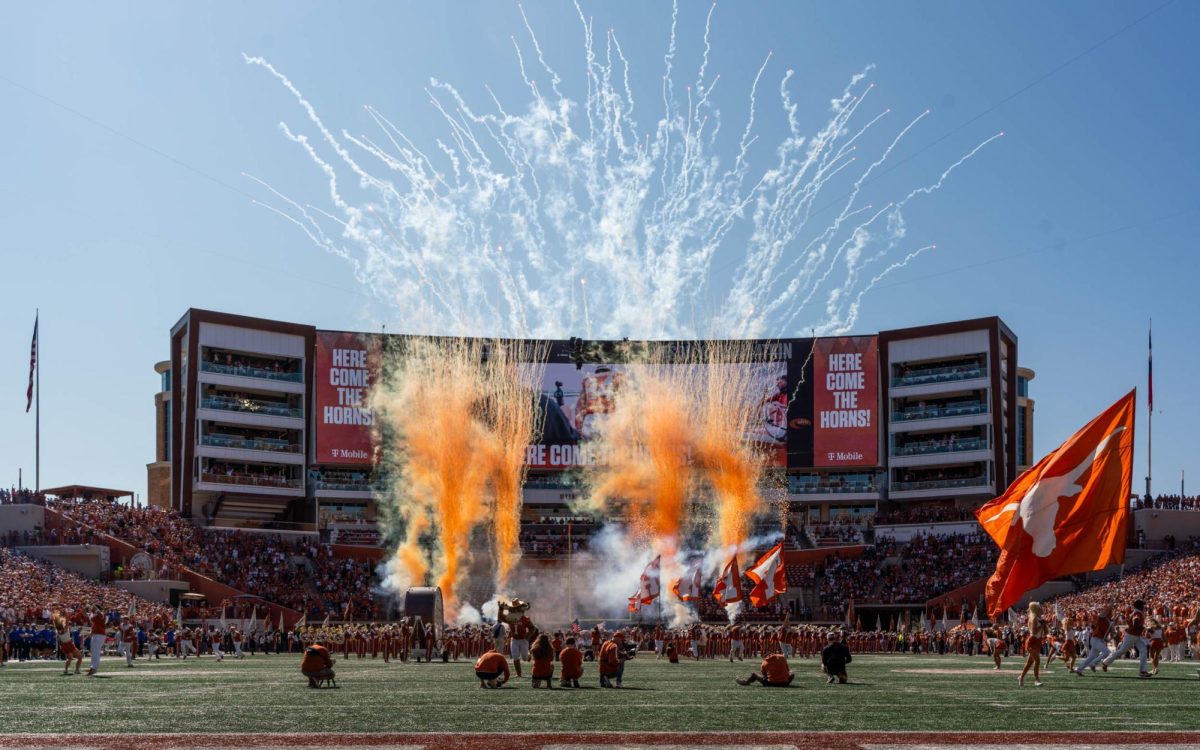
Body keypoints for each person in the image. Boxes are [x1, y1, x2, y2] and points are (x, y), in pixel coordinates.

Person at [1102, 599, 1149, 677]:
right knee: (1121, 651)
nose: (1144, 607)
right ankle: (1105, 662)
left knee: (1143, 650)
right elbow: (1135, 624)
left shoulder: (1137, 612)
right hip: (1132, 635)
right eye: (1143, 605)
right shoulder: (1137, 613)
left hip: (1135, 635)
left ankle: (1143, 671)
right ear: (1140, 606)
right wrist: (1144, 627)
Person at [1076, 604, 1114, 676]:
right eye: (1111, 612)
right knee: (1107, 652)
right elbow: (1104, 612)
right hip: (1095, 639)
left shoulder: (1110, 622)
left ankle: (1079, 669)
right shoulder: (1102, 618)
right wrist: (1110, 605)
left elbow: (1111, 633)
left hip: (1100, 640)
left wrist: (1111, 633)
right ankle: (1093, 663)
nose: (1112, 613)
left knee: (1091, 657)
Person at [1019, 602, 1048, 687]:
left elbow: (1046, 632)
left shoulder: (1039, 619)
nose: (1042, 609)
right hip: (1032, 641)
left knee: (1029, 663)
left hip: (1038, 641)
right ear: (1037, 609)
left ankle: (1021, 677)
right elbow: (1034, 631)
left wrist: (1045, 625)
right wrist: (1042, 625)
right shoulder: (1034, 618)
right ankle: (1036, 680)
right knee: (1037, 661)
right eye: (1040, 607)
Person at [86, 607, 107, 677]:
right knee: (93, 651)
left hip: (100, 634)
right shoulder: (94, 615)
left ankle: (94, 668)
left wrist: (97, 610)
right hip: (96, 634)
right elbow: (94, 625)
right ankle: (92, 667)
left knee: (96, 652)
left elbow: (101, 616)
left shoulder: (101, 614)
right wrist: (91, 632)